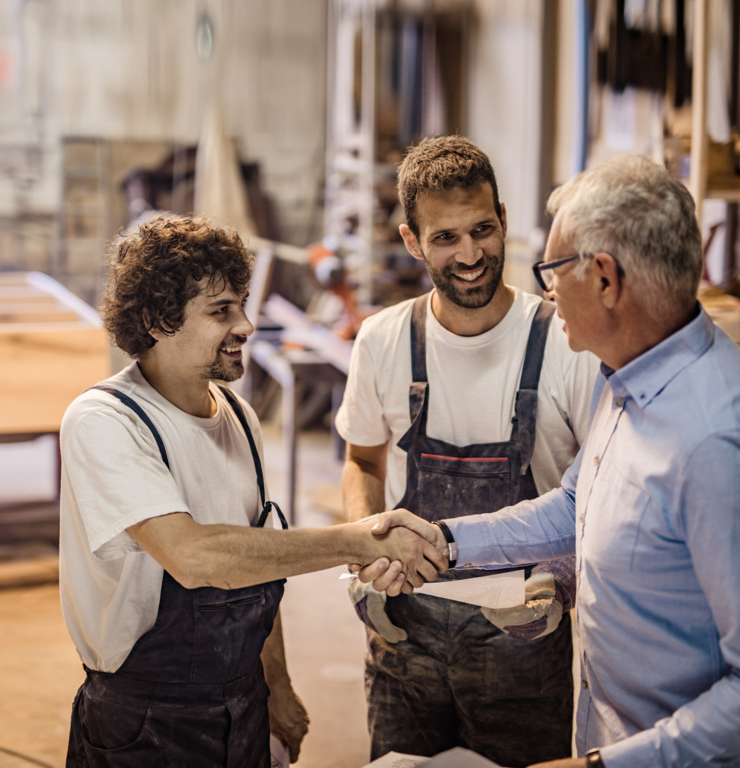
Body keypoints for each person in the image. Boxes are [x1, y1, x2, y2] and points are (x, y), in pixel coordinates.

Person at [369, 154, 740, 767]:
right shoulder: (626, 382)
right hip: (603, 730)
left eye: (555, 268)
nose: (544, 288)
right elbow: (576, 504)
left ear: (604, 279)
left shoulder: (713, 439)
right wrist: (444, 539)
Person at [58, 214, 446, 768]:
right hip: (143, 720)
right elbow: (195, 557)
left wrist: (277, 686)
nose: (246, 324)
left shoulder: (238, 414)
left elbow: (255, 564)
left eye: (242, 304)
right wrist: (359, 541)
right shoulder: (106, 421)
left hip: (243, 704)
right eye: (221, 311)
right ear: (156, 320)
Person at [334, 135, 599, 766]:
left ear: (505, 220)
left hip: (525, 639)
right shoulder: (382, 340)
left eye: (482, 229)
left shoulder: (565, 341)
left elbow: (600, 484)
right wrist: (364, 551)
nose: (471, 254)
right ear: (411, 241)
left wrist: (559, 576)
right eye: (446, 238)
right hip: (405, 633)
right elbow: (363, 460)